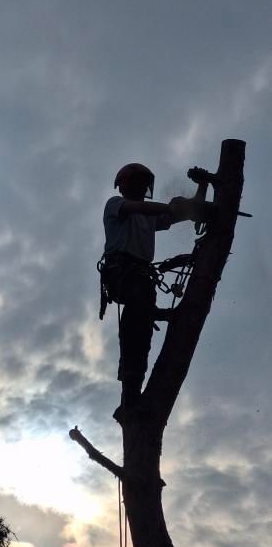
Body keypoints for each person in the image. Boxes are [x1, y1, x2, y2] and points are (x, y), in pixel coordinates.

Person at [102, 162, 197, 410]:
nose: (142, 187)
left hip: (141, 277)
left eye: (144, 184)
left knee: (142, 331)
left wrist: (195, 202)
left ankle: (134, 384)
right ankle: (129, 382)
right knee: (136, 323)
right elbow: (145, 208)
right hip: (121, 273)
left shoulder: (148, 216)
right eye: (138, 183)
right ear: (125, 185)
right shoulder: (115, 204)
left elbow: (175, 217)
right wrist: (169, 206)